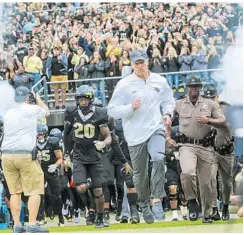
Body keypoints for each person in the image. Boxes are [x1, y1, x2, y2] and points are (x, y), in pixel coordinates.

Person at [107, 49, 176, 224]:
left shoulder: (159, 80)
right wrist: (130, 107)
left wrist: (168, 113)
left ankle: (157, 198)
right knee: (139, 174)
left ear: (147, 62)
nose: (139, 66)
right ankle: (143, 204)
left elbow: (169, 100)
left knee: (159, 158)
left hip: (155, 128)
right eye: (136, 63)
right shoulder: (124, 84)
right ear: (131, 64)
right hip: (135, 134)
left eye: (142, 62)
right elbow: (112, 110)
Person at [167, 75, 226, 223]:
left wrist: (209, 120)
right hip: (186, 145)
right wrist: (168, 137)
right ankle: (192, 202)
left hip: (206, 146)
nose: (194, 89)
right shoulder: (179, 103)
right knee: (187, 172)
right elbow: (167, 121)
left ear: (200, 87)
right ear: (187, 88)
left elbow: (223, 120)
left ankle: (206, 214)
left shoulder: (209, 103)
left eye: (197, 86)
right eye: (191, 86)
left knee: (206, 183)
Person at [1, 86, 50, 233]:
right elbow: (46, 112)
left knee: (15, 192)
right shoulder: (31, 109)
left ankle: (17, 225)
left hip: (7, 155)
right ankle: (32, 223)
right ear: (29, 97)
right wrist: (39, 98)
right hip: (24, 153)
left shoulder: (8, 112)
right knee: (35, 189)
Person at [63, 85, 112, 228]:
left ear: (91, 100)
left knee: (98, 190)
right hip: (78, 155)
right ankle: (90, 188)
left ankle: (100, 217)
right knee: (81, 187)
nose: (83, 102)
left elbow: (108, 136)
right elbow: (66, 134)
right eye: (81, 99)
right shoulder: (71, 112)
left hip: (95, 156)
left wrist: (104, 143)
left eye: (86, 99)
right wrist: (66, 153)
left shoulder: (100, 113)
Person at [202, 84, 234, 221]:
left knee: (226, 183)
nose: (210, 99)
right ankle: (214, 209)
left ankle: (225, 205)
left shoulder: (225, 108)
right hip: (210, 150)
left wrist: (208, 121)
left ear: (217, 97)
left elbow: (225, 123)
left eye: (212, 97)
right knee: (210, 179)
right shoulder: (202, 109)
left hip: (226, 151)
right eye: (207, 97)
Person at [36, 124, 63, 226]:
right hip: (38, 171)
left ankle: (61, 218)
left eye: (42, 134)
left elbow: (60, 158)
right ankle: (41, 217)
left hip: (50, 170)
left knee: (56, 194)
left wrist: (55, 165)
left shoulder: (53, 142)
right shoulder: (33, 144)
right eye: (38, 134)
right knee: (39, 195)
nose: (40, 136)